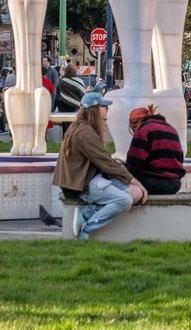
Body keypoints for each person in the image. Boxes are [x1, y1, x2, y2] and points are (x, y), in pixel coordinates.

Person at [52, 92, 147, 240]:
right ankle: (86, 229)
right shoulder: (84, 132)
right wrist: (133, 180)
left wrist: (133, 183)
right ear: (94, 109)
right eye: (104, 106)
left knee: (136, 193)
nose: (107, 109)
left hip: (92, 178)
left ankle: (86, 213)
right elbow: (106, 162)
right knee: (124, 200)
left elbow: (104, 161)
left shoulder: (87, 128)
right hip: (81, 185)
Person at [124, 104, 184, 195]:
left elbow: (135, 162)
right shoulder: (171, 128)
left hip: (154, 182)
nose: (133, 132)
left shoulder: (143, 129)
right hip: (176, 184)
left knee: (117, 182)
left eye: (133, 128)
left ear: (135, 124)